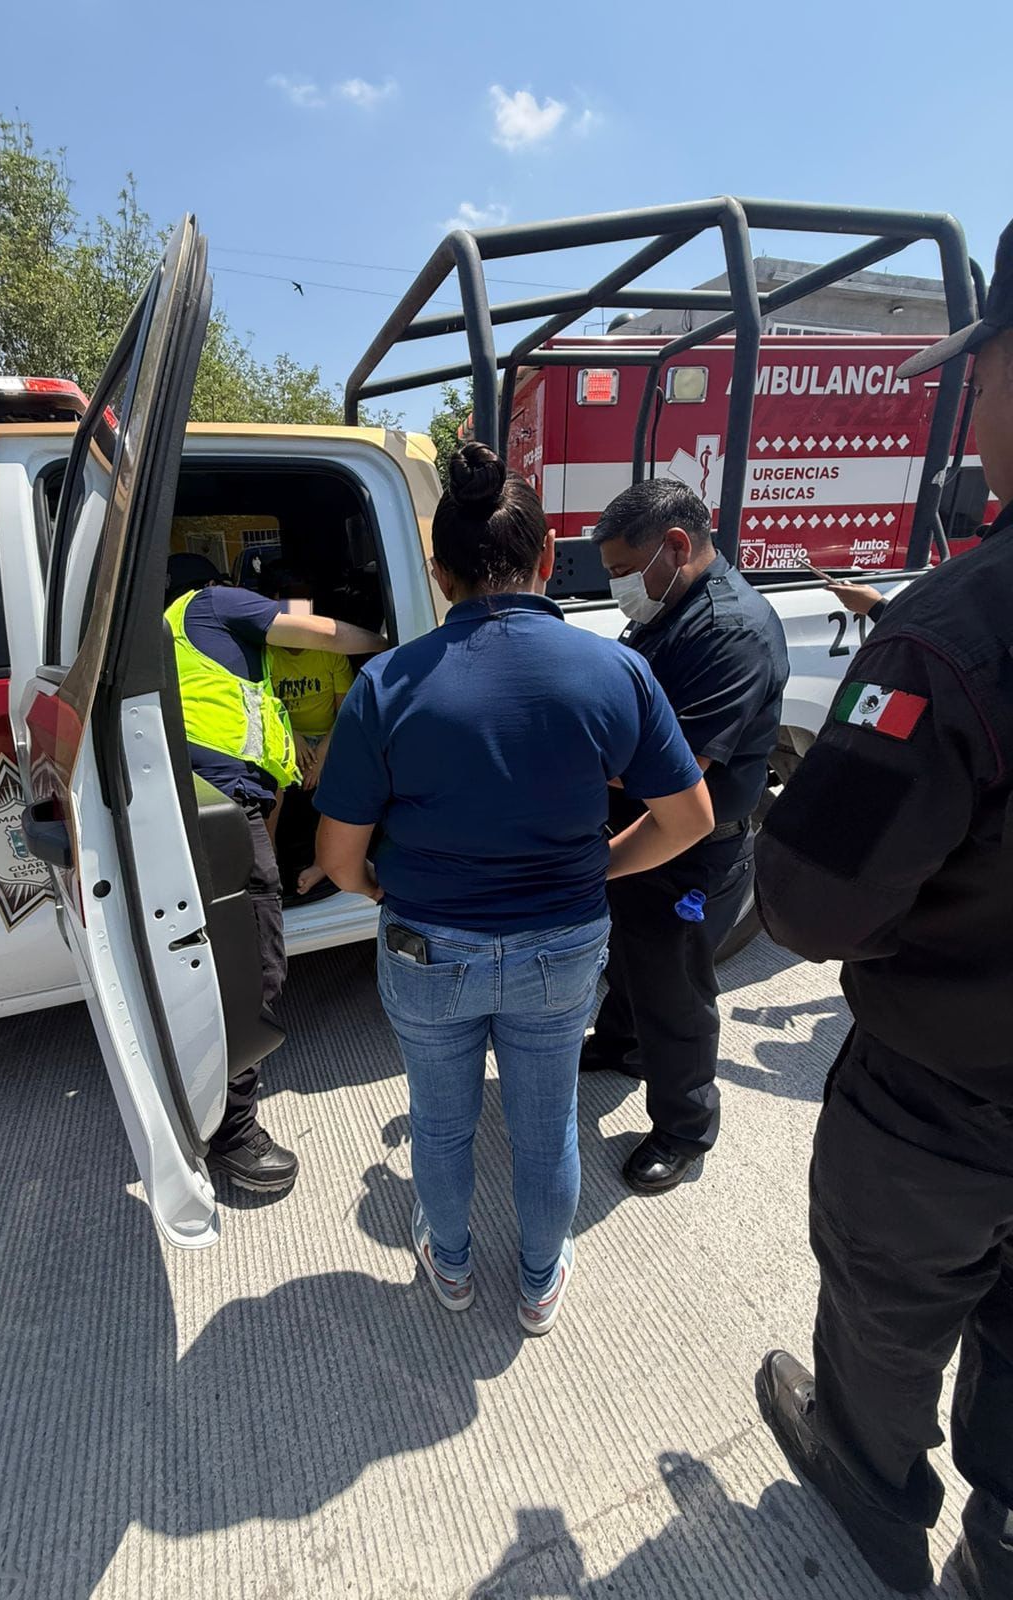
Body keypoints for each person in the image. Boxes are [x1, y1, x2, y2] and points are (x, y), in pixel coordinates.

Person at [752, 218, 1013, 1599]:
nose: (967, 405)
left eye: (981, 374)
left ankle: (869, 1480)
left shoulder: (954, 633)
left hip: (942, 1103)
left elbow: (807, 900)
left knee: (889, 1311)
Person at [313, 445, 713, 1334]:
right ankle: (538, 1283)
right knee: (547, 1125)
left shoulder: (386, 685)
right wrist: (595, 867)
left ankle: (449, 1267)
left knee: (440, 1119)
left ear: (439, 572)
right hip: (561, 943)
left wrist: (378, 888)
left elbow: (337, 857)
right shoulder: (615, 671)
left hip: (427, 943)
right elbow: (688, 820)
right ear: (545, 559)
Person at [580, 480, 789, 1195]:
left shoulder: (730, 630)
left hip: (693, 850)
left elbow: (675, 772)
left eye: (619, 570)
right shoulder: (672, 608)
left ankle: (684, 1128)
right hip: (646, 830)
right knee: (632, 955)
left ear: (675, 546)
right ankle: (621, 1045)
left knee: (675, 986)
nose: (616, 588)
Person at [164, 554, 386, 1192]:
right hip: (221, 812)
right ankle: (231, 1130)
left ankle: (208, 1100)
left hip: (214, 805)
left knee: (216, 960)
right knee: (251, 967)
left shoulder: (193, 652)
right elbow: (319, 631)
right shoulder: (209, 605)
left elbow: (262, 747)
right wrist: (384, 638)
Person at [257, 564, 355, 896]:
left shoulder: (329, 650)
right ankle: (270, 867)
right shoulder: (264, 652)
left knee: (342, 782)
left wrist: (324, 755)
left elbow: (346, 715)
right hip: (283, 736)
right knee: (271, 785)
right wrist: (293, 739)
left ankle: (324, 863)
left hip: (330, 737)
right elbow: (266, 706)